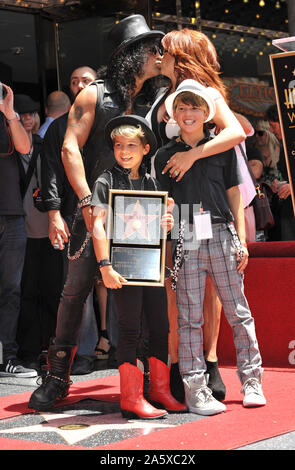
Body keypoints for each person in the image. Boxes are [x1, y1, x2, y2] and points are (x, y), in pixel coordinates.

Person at [28, 14, 166, 411]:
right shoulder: (93, 94)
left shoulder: (153, 100)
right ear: (129, 55)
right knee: (74, 293)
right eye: (149, 50)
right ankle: (56, 378)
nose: (157, 57)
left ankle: (139, 379)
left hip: (141, 213)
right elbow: (69, 148)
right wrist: (87, 201)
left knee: (138, 294)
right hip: (96, 209)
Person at [145, 28, 247, 402]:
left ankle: (211, 360)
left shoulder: (205, 92)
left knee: (210, 289)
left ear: (180, 54)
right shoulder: (162, 95)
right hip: (171, 204)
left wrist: (192, 155)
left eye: (165, 50)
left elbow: (235, 132)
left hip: (210, 201)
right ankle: (177, 362)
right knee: (175, 284)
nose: (159, 56)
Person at [155, 80, 266, 416]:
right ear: (174, 113)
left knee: (238, 310)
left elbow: (235, 192)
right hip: (186, 232)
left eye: (196, 108)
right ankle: (196, 389)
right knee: (188, 318)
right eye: (183, 108)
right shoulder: (163, 155)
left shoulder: (223, 147)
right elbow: (162, 203)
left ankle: (252, 381)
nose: (189, 114)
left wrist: (241, 239)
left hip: (221, 230)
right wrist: (166, 220)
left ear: (207, 113)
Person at [90, 114, 187, 418]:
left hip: (151, 267)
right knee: (129, 330)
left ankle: (160, 391)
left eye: (132, 145)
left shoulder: (152, 182)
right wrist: (105, 265)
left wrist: (166, 223)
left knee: (161, 327)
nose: (125, 151)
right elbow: (98, 226)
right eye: (119, 145)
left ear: (145, 149)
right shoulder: (105, 180)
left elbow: (156, 228)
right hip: (121, 268)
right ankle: (131, 399)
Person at [40, 67, 102, 372]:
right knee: (78, 286)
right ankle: (84, 353)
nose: (79, 85)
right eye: (74, 80)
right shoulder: (58, 127)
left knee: (122, 281)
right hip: (72, 212)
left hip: (111, 211)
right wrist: (53, 213)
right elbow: (49, 170)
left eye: (86, 81)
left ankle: (124, 348)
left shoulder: (107, 121)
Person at [12, 94, 64, 370]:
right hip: (22, 230)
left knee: (53, 291)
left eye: (32, 114)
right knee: (26, 293)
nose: (28, 119)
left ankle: (54, 349)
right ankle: (29, 350)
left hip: (49, 229)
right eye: (23, 115)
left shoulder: (46, 144)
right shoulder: (10, 148)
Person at [0, 83, 37, 377]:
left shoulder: (7, 118)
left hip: (11, 215)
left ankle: (6, 357)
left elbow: (25, 147)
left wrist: (10, 112)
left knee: (11, 291)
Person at [264, 104, 295, 241]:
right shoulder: (285, 146)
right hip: (289, 212)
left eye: (273, 125)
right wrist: (281, 184)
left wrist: (291, 187)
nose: (271, 130)